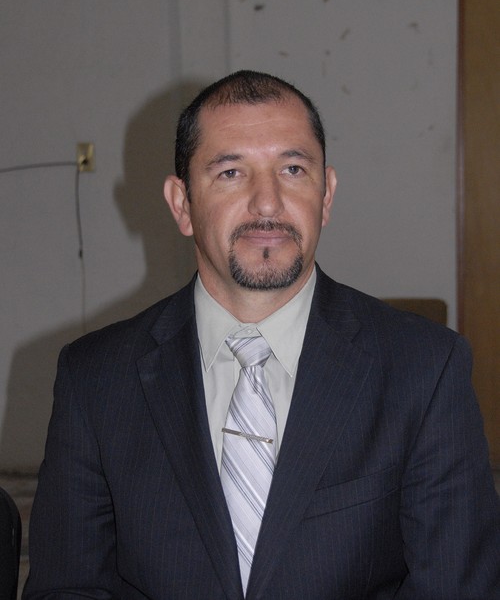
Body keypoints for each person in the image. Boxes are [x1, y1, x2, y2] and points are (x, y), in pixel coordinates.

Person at [24, 70, 500, 599]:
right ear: (182, 204)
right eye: (231, 172)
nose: (267, 203)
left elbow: (458, 587)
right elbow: (67, 587)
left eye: (293, 169)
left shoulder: (425, 369)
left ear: (326, 194)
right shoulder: (95, 379)